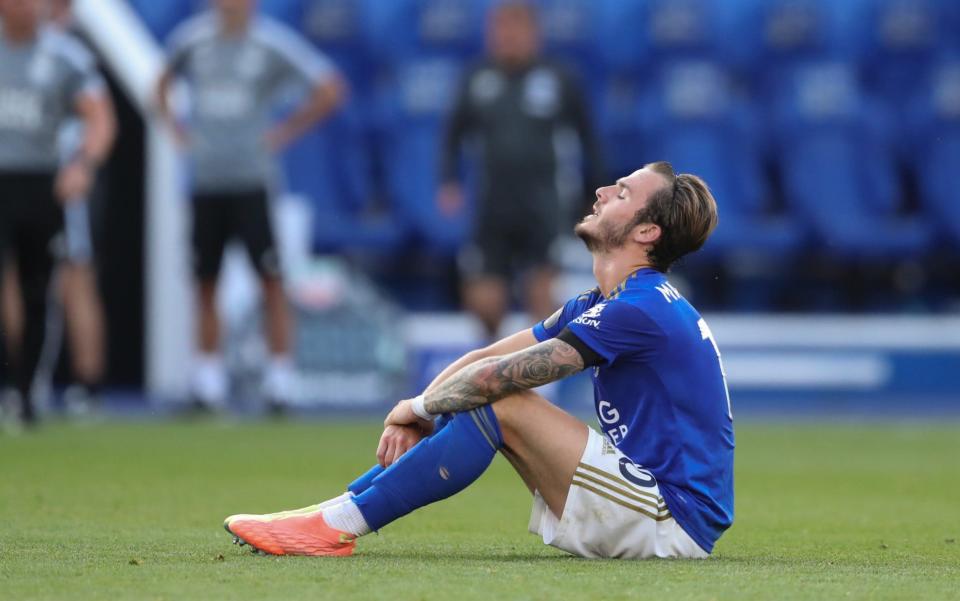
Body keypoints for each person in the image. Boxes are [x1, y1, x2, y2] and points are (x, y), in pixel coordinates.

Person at [223, 162, 735, 560]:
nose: (601, 192)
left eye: (622, 193)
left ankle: (336, 525)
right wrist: (422, 408)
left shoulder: (640, 308)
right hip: (647, 500)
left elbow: (498, 379)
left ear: (647, 233)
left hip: (671, 518)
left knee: (502, 402)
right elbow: (488, 356)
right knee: (485, 392)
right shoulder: (606, 302)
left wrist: (419, 408)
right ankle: (331, 512)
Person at [155, 0, 344, 411]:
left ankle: (280, 384)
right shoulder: (192, 40)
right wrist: (177, 132)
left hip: (253, 182)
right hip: (206, 181)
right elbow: (160, 83)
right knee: (205, 281)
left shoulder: (270, 45)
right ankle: (206, 383)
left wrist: (284, 132)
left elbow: (329, 86)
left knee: (271, 282)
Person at [439, 0, 604, 340]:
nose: (507, 37)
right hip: (491, 204)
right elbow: (453, 134)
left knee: (541, 294)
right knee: (484, 301)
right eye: (500, 30)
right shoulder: (477, 78)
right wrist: (449, 180)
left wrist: (595, 192)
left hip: (544, 203)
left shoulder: (559, 78)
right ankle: (493, 366)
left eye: (515, 29)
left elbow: (589, 138)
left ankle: (540, 377)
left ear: (534, 33)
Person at [0, 0, 116, 426]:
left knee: (39, 286)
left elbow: (101, 117)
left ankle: (30, 388)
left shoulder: (65, 56)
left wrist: (83, 164)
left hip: (41, 182)